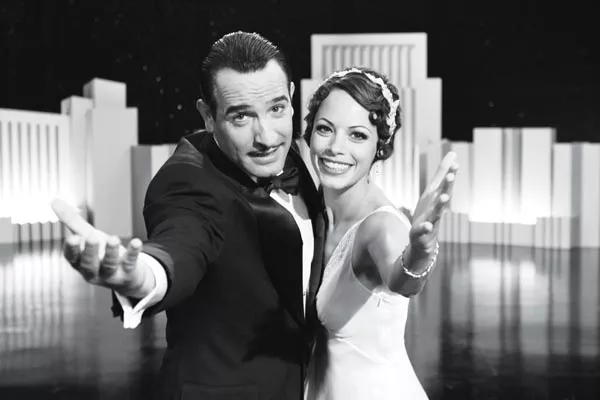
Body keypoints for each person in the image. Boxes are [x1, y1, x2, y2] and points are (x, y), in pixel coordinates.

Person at [53, 31, 327, 400]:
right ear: (208, 116)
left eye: (276, 109)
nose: (266, 136)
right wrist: (141, 275)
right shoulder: (187, 181)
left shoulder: (296, 156)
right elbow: (181, 243)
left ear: (291, 98)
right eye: (241, 117)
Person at [302, 67, 458, 400]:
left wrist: (420, 252)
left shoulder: (380, 226)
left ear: (380, 146)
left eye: (357, 135)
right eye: (325, 129)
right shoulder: (312, 212)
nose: (335, 147)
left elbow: (403, 282)